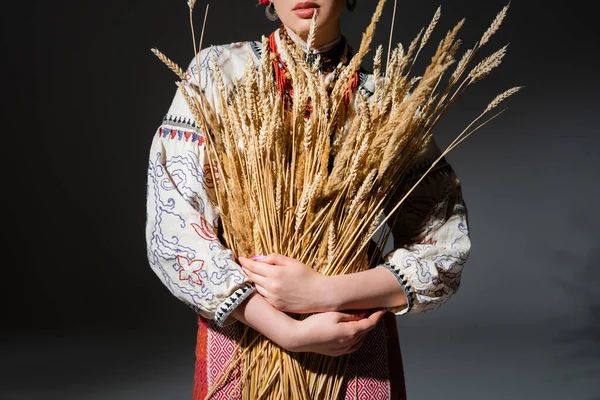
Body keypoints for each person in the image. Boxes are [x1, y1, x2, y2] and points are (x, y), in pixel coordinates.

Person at [145, 0, 471, 398]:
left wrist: (323, 292)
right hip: (245, 336)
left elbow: (443, 250)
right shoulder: (216, 74)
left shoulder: (385, 101)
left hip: (349, 339)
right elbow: (173, 230)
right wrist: (288, 330)